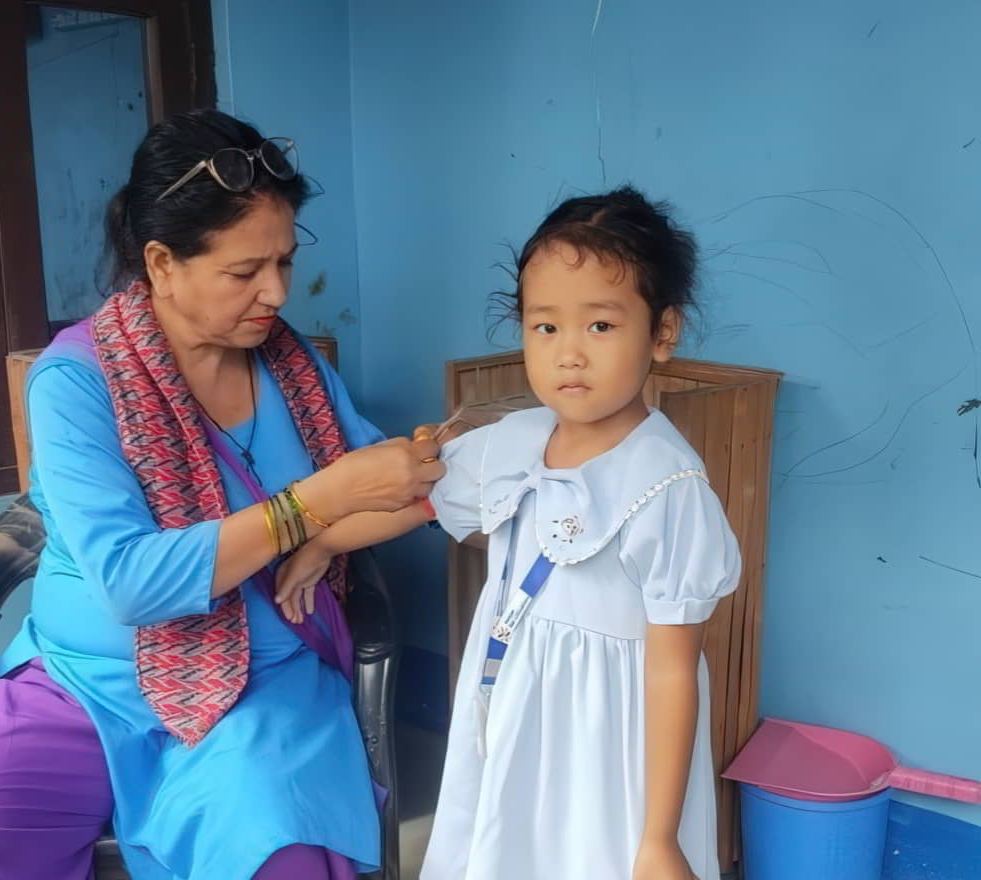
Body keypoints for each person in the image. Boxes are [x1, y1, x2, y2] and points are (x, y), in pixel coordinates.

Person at [0, 109, 444, 880]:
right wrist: (311, 506)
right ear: (162, 263)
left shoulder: (293, 370)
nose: (277, 292)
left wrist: (323, 537)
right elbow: (132, 582)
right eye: (245, 271)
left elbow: (405, 485)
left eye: (284, 262)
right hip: (87, 684)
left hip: (263, 682)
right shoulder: (77, 381)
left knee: (280, 856)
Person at [275, 186, 742, 880]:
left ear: (662, 333)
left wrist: (659, 838)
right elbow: (418, 501)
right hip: (514, 715)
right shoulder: (513, 443)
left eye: (601, 327)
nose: (569, 355)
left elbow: (674, 670)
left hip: (608, 749)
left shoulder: (666, 486)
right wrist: (322, 544)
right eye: (545, 327)